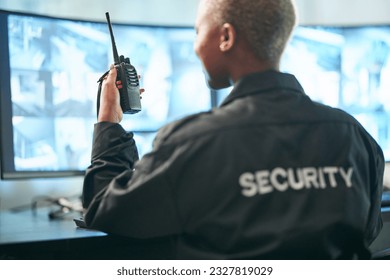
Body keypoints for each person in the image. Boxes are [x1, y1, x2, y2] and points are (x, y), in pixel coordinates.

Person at [82, 0, 384, 259]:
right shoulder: (356, 136)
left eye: (198, 31)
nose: (196, 46)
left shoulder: (193, 141)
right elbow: (366, 233)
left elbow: (105, 209)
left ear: (226, 36)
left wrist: (109, 121)